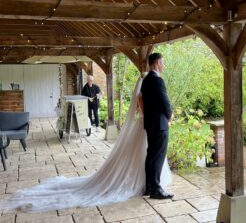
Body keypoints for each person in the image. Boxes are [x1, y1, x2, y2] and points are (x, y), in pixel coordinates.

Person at [0, 76, 172, 212]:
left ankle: (149, 183)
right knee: (148, 154)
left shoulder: (146, 83)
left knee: (148, 154)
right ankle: (148, 183)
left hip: (145, 123)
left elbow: (140, 104)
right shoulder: (150, 83)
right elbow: (142, 104)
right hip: (149, 122)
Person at [140, 53, 174, 199]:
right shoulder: (157, 80)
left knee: (151, 155)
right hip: (160, 124)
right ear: (157, 63)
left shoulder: (146, 80)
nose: (163, 65)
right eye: (162, 63)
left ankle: (149, 187)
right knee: (158, 156)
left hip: (150, 123)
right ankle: (155, 189)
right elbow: (164, 101)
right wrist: (170, 115)